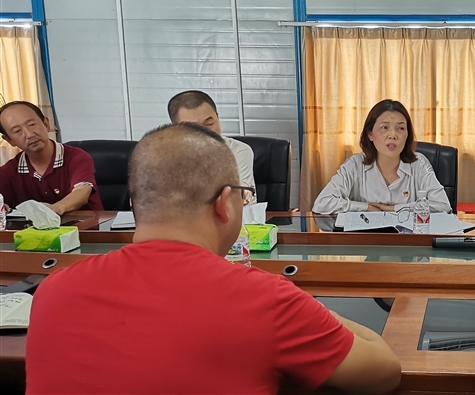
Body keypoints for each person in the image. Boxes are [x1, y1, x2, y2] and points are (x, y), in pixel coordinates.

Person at [26, 123, 401, 394]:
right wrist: (312, 309)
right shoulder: (265, 300)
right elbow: (383, 372)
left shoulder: (54, 290)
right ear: (225, 203)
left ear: (135, 202)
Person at [313, 99, 452, 215]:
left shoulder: (419, 164)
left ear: (407, 135)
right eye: (384, 128)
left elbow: (443, 206)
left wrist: (395, 209)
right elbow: (322, 203)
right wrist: (366, 208)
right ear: (370, 134)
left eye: (401, 128)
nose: (393, 135)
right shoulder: (355, 165)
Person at [0, 101, 103, 214]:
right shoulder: (8, 172)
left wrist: (55, 209)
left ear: (46, 124)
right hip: (34, 226)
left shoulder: (77, 157)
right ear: (9, 140)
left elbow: (82, 191)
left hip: (87, 225)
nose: (29, 135)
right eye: (17, 131)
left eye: (32, 124)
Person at [167, 90, 255, 197]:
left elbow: (235, 199)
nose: (205, 132)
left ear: (217, 117)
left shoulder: (238, 151)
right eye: (194, 128)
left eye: (209, 123)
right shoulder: (166, 159)